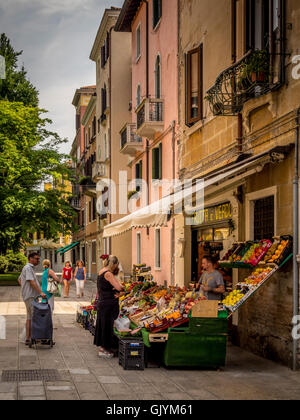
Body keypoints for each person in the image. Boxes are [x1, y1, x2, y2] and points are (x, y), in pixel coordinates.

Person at [94, 255, 124, 358]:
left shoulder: (101, 271)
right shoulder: (108, 274)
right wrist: (122, 289)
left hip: (103, 301)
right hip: (108, 303)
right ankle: (104, 349)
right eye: (116, 265)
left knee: (103, 325)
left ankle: (103, 348)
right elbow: (119, 287)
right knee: (107, 326)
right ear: (114, 264)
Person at [19, 252, 47, 346]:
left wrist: (24, 288)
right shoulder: (28, 268)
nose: (38, 261)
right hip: (30, 296)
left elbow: (19, 279)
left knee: (29, 317)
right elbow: (31, 282)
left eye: (39, 259)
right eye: (36, 259)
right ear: (30, 259)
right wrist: (41, 292)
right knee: (33, 317)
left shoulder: (29, 268)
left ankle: (28, 338)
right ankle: (30, 337)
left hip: (29, 295)